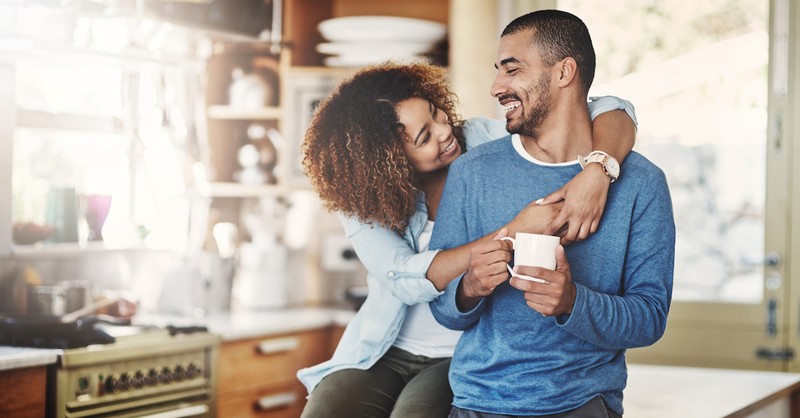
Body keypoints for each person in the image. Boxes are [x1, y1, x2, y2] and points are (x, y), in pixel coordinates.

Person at [297, 62, 638, 418]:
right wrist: (513, 230)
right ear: (388, 163)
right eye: (424, 137)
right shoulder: (361, 198)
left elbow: (612, 108)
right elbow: (403, 277)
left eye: (435, 113)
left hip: (461, 351)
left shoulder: (481, 140)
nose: (445, 131)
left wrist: (599, 169)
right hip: (382, 349)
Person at [429, 10, 675, 418]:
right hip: (476, 404)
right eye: (497, 71)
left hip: (583, 405)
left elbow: (649, 319)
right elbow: (443, 309)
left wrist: (571, 302)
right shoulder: (471, 172)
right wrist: (469, 286)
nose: (496, 87)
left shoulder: (641, 184)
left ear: (564, 72)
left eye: (512, 70)